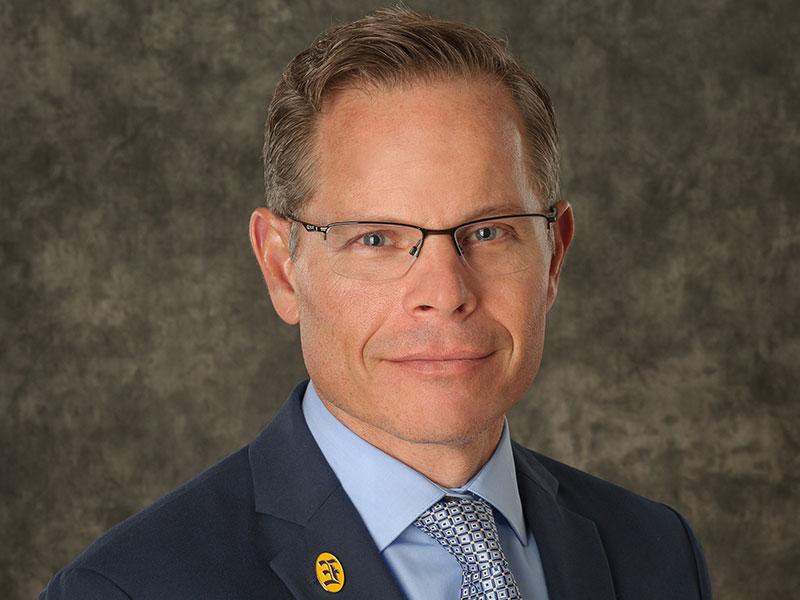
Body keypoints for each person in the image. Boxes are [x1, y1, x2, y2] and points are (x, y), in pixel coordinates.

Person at [40, 7, 712, 599]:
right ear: (282, 268)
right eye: (376, 238)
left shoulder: (656, 552)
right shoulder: (132, 589)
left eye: (487, 232)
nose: (445, 295)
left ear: (554, 256)